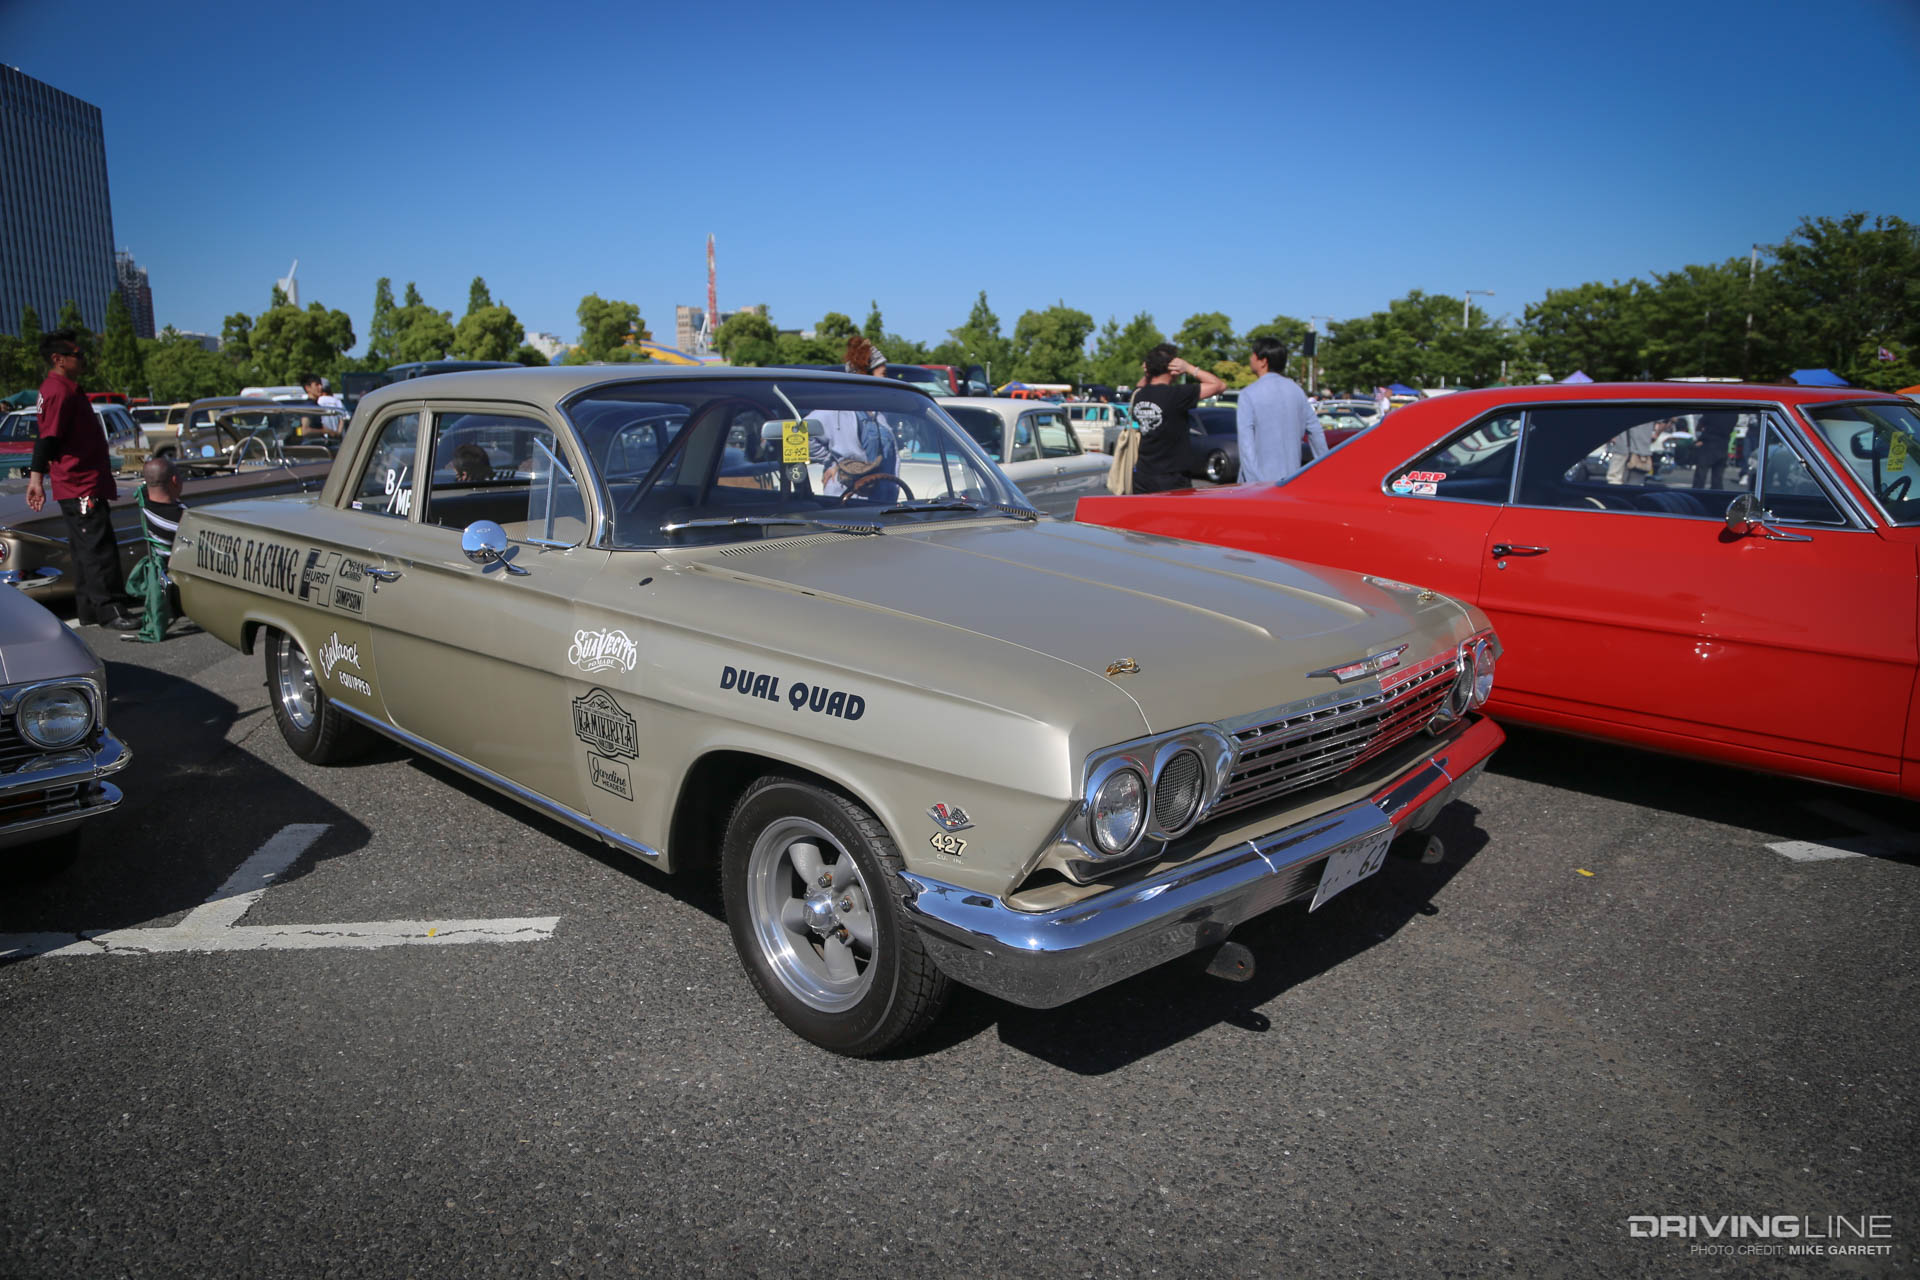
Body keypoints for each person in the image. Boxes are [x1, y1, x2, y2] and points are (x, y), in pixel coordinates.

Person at [26, 331, 136, 629]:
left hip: (82, 480)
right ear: (58, 359)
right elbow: (47, 438)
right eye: (78, 354)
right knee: (98, 546)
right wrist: (36, 479)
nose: (83, 358)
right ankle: (110, 608)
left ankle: (89, 608)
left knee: (85, 546)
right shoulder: (57, 390)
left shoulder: (65, 388)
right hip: (79, 482)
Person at [807, 336, 900, 498]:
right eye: (883, 374)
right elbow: (798, 432)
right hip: (847, 505)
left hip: (882, 506)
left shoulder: (880, 414)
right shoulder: (837, 410)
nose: (886, 379)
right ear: (866, 375)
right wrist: (833, 462)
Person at [1130, 343, 1223, 494]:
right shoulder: (1177, 395)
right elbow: (1219, 385)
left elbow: (1141, 384)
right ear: (1172, 368)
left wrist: (1150, 370)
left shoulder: (1139, 394)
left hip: (1143, 475)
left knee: (1146, 517)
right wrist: (1189, 368)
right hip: (1172, 476)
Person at [1235, 337, 1326, 485]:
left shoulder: (1248, 394)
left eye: (1253, 354)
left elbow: (1246, 445)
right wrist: (1324, 469)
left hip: (1260, 482)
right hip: (1292, 480)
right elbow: (1316, 432)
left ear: (1263, 361)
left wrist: (1253, 483)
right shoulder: (1297, 391)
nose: (1250, 358)